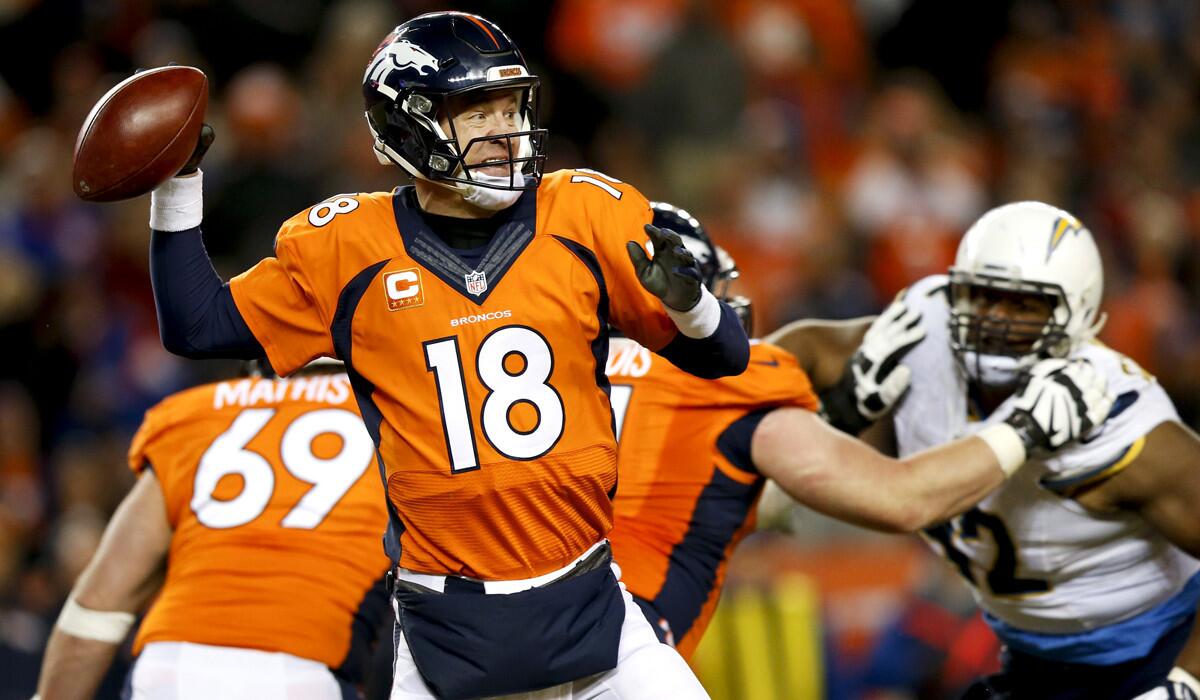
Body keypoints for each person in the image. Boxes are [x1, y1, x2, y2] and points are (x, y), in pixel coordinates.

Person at [141, 11, 749, 699]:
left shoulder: (584, 212)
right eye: (473, 111)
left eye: (508, 107)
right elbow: (197, 325)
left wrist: (691, 302)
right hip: (448, 634)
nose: (502, 131)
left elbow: (724, 359)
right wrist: (177, 184)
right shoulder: (346, 247)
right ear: (411, 124)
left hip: (596, 612)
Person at [604, 202, 1114, 662]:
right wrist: (1021, 431)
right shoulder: (719, 382)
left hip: (542, 621)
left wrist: (841, 415)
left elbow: (718, 494)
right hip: (621, 647)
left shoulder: (552, 374)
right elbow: (903, 498)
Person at [769, 201, 1200, 700]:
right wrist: (809, 395)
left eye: (1023, 305)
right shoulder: (924, 337)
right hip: (1032, 658)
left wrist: (1187, 681)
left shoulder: (1118, 423)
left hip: (1154, 653)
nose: (995, 319)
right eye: (983, 296)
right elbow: (795, 356)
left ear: (1076, 312)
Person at [34, 360, 392, 699]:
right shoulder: (403, 423)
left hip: (170, 672)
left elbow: (99, 605)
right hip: (304, 674)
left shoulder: (196, 413)